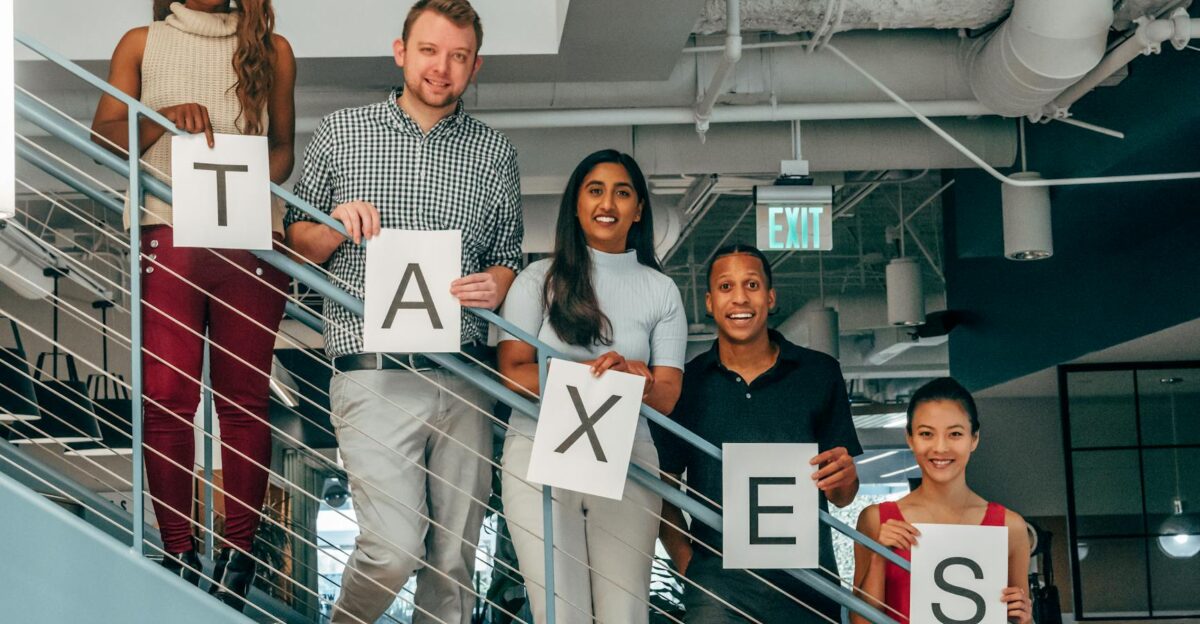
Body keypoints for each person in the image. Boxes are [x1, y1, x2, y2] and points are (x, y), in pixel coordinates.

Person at [283, 0, 522, 621]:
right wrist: (334, 226)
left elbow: (508, 257)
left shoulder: (494, 153)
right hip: (373, 372)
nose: (442, 68)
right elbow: (296, 244)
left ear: (475, 64)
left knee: (453, 565)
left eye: (459, 56)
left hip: (465, 373)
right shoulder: (341, 132)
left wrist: (496, 284)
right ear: (400, 51)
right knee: (391, 549)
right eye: (429, 51)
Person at [91, 0, 295, 609]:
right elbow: (103, 138)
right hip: (167, 228)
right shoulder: (140, 42)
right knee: (169, 395)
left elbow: (282, 148)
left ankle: (239, 552)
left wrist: (245, 176)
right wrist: (158, 117)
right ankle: (179, 549)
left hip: (247, 236)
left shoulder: (273, 48)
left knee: (243, 398)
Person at [497, 149, 687, 623]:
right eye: (595, 190)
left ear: (639, 209)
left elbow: (666, 394)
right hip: (539, 454)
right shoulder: (536, 280)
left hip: (628, 457)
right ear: (576, 205)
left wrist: (636, 382)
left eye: (623, 192)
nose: (609, 202)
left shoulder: (661, 290)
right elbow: (512, 370)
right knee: (560, 612)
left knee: (625, 614)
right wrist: (595, 379)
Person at [654, 243, 862, 623]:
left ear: (770, 297)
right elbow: (662, 485)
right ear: (709, 302)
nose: (739, 298)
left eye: (751, 285)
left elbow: (843, 495)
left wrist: (845, 478)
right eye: (726, 287)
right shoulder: (688, 384)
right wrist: (688, 566)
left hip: (809, 582)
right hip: (718, 586)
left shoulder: (819, 373)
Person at [850, 377, 1033, 624]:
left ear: (974, 438)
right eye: (926, 433)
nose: (940, 447)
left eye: (955, 434)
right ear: (910, 438)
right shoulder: (877, 520)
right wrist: (878, 558)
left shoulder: (1010, 527)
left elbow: (1015, 618)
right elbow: (859, 622)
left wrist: (1023, 617)